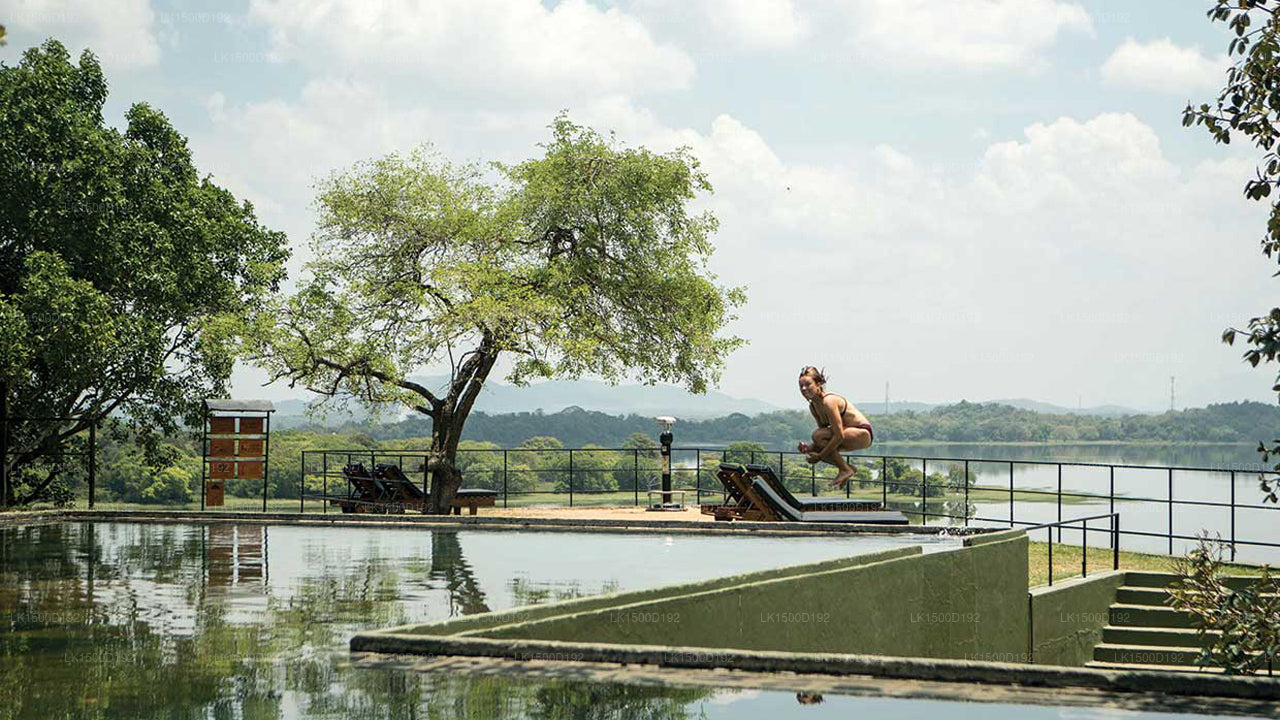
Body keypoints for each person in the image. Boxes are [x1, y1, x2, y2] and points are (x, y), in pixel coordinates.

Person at [796, 366, 873, 489]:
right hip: (846, 434)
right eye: (801, 386)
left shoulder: (829, 401)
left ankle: (844, 469)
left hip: (862, 433)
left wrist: (820, 457)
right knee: (814, 448)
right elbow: (823, 436)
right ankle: (848, 468)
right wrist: (808, 448)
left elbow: (838, 435)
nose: (804, 389)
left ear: (818, 383)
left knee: (817, 437)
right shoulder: (813, 406)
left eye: (808, 384)